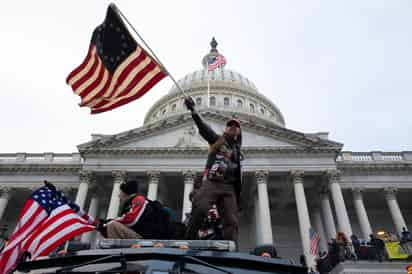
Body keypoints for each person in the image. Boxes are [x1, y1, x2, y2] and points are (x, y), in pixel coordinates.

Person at [184, 96, 243, 241]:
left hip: (229, 187)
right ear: (226, 129)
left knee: (231, 220)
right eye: (230, 126)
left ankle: (230, 247)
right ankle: (189, 239)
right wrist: (193, 110)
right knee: (200, 207)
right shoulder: (217, 140)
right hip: (213, 182)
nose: (232, 128)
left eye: (236, 126)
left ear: (239, 132)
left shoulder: (238, 151)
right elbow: (204, 129)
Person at [97, 180, 175, 239]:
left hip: (144, 238)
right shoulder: (131, 203)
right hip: (140, 235)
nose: (118, 195)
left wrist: (107, 223)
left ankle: (115, 252)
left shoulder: (138, 199)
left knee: (112, 225)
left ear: (125, 193)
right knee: (111, 226)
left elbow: (132, 220)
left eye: (120, 192)